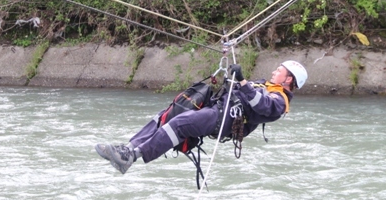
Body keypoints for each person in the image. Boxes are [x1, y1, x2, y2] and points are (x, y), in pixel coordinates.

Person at [95, 60, 308, 175]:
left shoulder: (280, 101)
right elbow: (244, 90)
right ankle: (129, 149)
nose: (273, 71)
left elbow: (260, 105)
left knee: (180, 124)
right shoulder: (267, 85)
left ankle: (133, 157)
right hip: (218, 106)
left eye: (279, 70)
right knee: (172, 111)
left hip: (223, 119)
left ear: (288, 79)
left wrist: (242, 82)